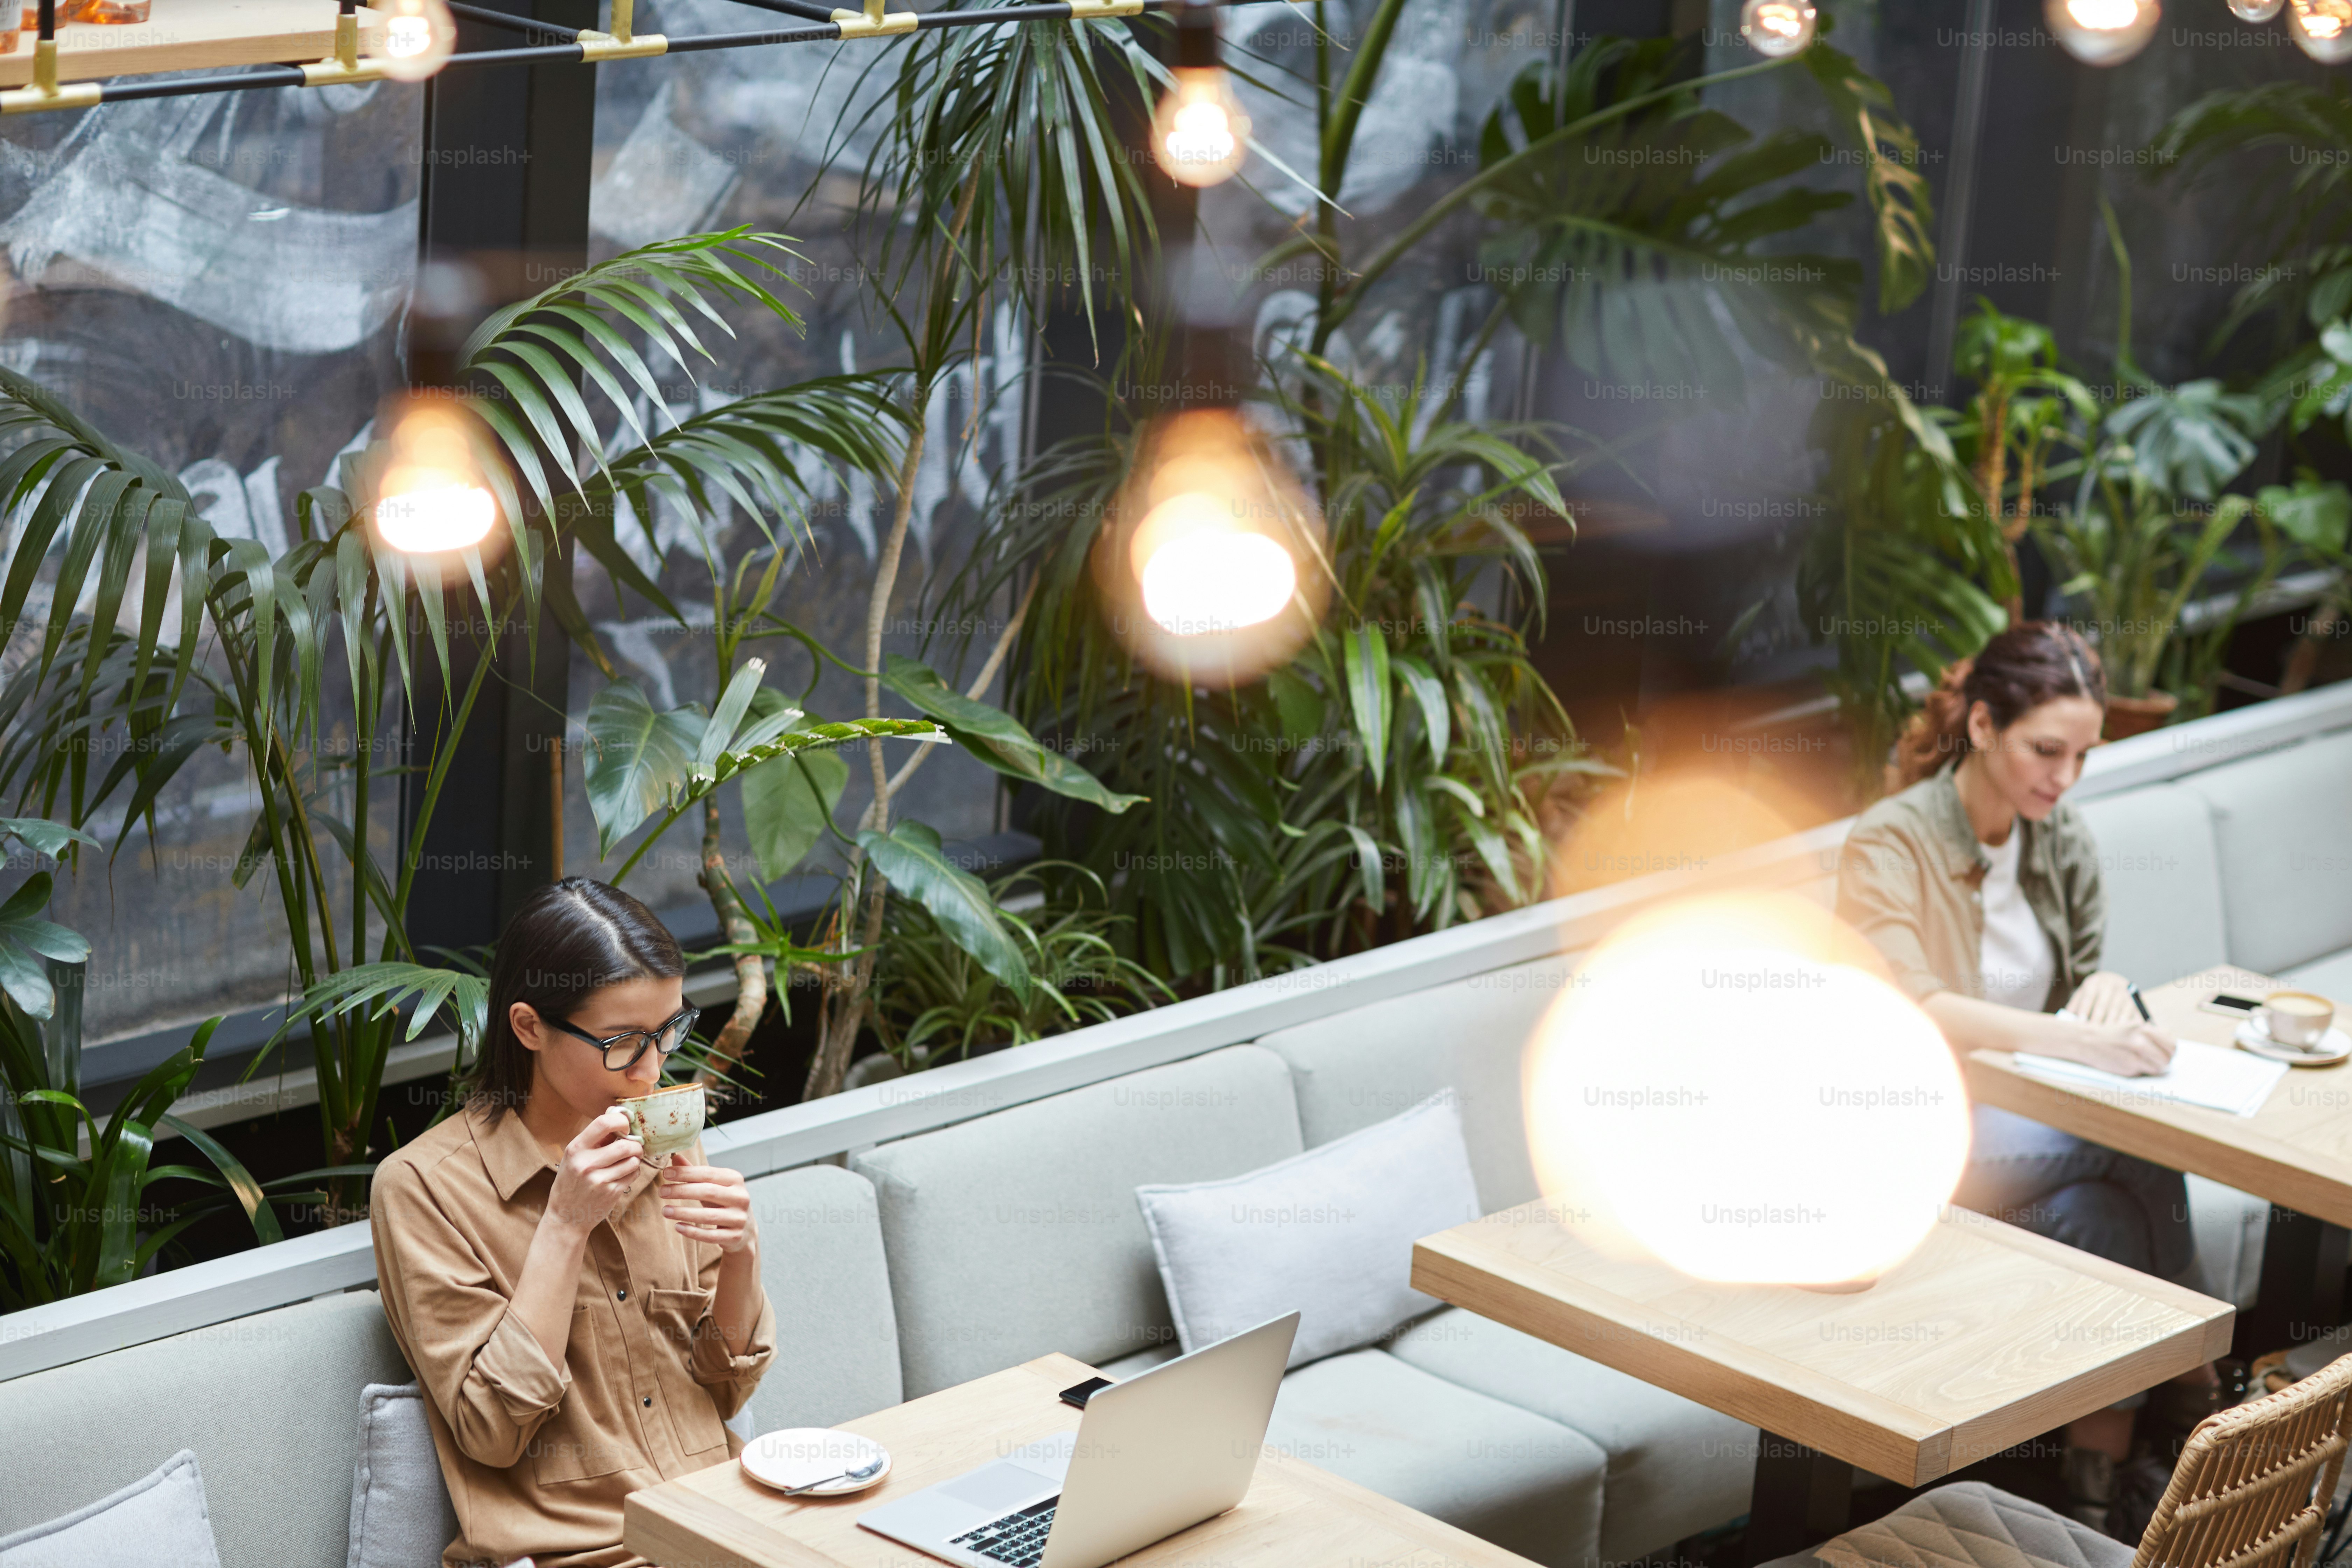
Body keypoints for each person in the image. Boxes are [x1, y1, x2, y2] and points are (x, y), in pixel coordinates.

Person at [1836, 622, 2215, 1532]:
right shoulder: (1890, 843)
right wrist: (2076, 1042)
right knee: (2124, 1126)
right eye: (2048, 751)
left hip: (2030, 1142)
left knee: (2102, 1220)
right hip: (1907, 1138)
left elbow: (2089, 980)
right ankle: (2205, 1393)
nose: (2067, 776)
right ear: (1979, 724)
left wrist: (2103, 995)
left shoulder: (2058, 838)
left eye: (2084, 755)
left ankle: (2095, 1496)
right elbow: (1914, 1006)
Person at [372, 878, 773, 1568]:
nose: (652, 1070)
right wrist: (564, 1225)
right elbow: (492, 1431)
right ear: (529, 1026)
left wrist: (741, 1257)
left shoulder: (667, 1140)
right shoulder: (424, 1190)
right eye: (623, 1042)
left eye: (668, 1031)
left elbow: (727, 1387)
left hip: (723, 1530)